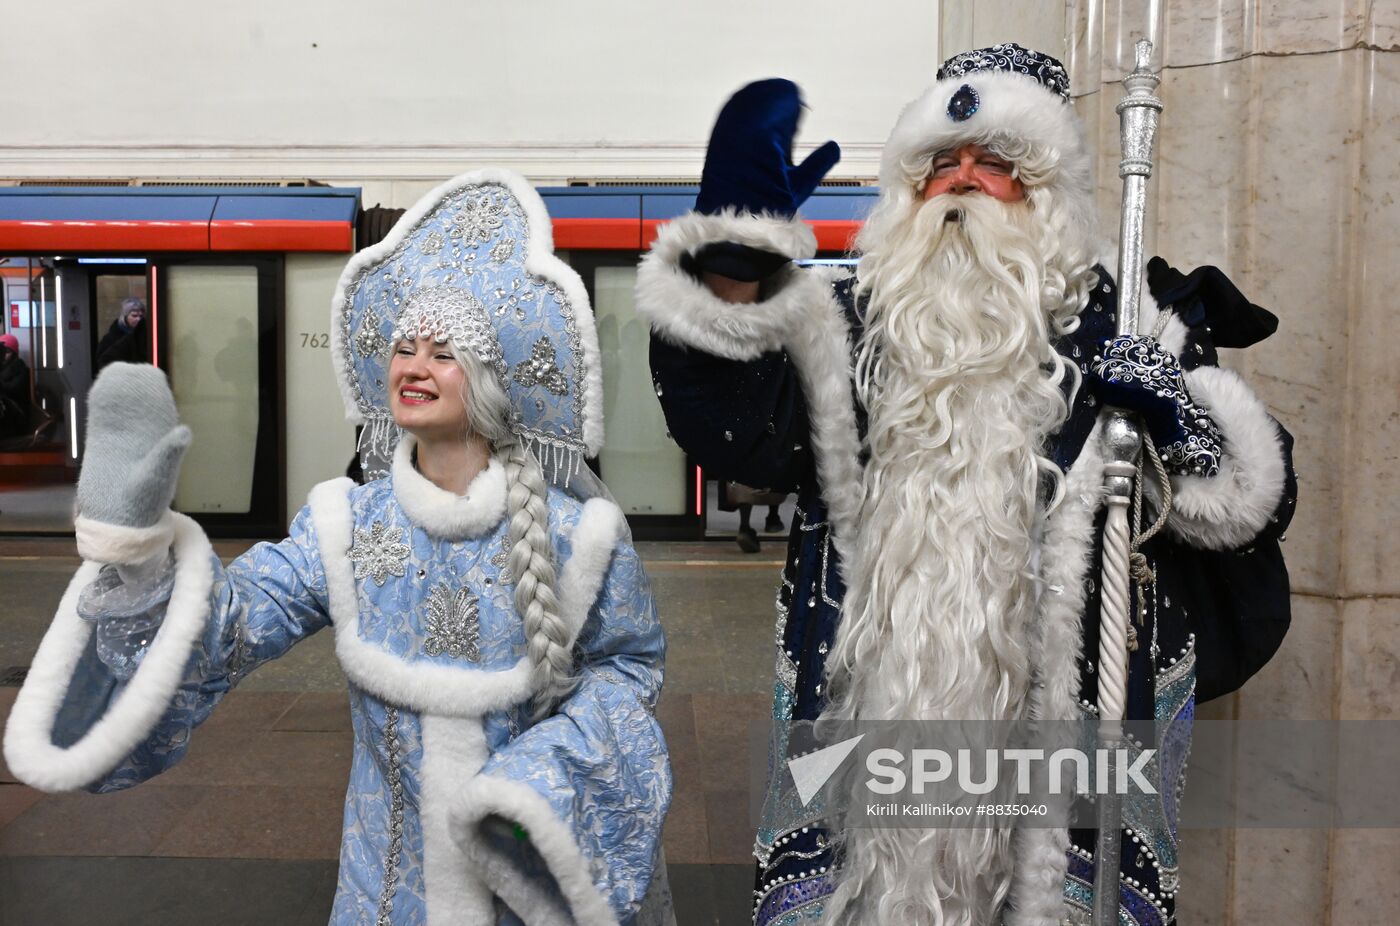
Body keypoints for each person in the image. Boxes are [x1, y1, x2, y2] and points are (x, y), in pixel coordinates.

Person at [638, 46, 1294, 926]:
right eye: (941, 162)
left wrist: (1178, 418)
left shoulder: (1139, 326)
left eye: (995, 163)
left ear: (1046, 192)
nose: (962, 181)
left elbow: (1248, 512)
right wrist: (732, 265)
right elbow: (738, 431)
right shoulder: (846, 324)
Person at [5, 172, 674, 926]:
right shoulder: (346, 524)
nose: (413, 365)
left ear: (489, 383)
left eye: (443, 353)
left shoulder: (577, 537)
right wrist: (137, 551)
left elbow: (628, 670)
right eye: (403, 347)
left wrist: (537, 787)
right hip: (383, 897)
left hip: (521, 890)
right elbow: (232, 623)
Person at [95, 297, 149, 369]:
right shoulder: (111, 338)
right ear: (125, 317)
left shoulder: (145, 336)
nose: (138, 319)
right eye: (134, 316)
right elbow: (102, 361)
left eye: (141, 316)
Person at [0, 333, 31, 438]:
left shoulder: (21, 369)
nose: (4, 355)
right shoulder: (2, 368)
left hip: (14, 416)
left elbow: (14, 389)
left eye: (7, 352)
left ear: (14, 353)